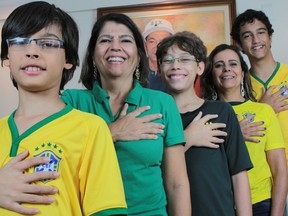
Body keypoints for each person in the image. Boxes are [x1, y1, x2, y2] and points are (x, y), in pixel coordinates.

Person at [0, 2, 127, 215]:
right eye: (20, 42)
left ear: (68, 58)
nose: (32, 52)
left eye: (48, 44)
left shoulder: (90, 129)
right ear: (6, 58)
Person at [61, 13, 191, 215]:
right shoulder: (71, 101)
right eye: (105, 40)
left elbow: (177, 184)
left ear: (139, 55)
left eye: (125, 40)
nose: (115, 46)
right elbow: (58, 160)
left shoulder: (162, 103)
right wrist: (113, 132)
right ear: (93, 55)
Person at [156, 31, 253, 216]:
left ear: (200, 67)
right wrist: (188, 138)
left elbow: (239, 176)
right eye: (168, 60)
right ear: (159, 70)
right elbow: (151, 167)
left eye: (184, 59)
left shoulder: (222, 112)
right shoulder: (155, 115)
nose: (176, 65)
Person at [201, 43, 288, 216]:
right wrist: (235, 134)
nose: (227, 69)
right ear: (211, 74)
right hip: (219, 204)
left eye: (233, 64)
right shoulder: (204, 114)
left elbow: (280, 170)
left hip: (261, 204)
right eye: (219, 65)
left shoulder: (264, 111)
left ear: (242, 72)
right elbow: (201, 164)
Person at [230, 9, 288, 162]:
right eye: (247, 36)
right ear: (239, 45)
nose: (256, 40)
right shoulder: (238, 86)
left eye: (261, 33)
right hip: (263, 174)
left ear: (270, 37)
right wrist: (265, 108)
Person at [142, 18, 174, 91]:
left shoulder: (178, 69)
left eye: (162, 42)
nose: (157, 46)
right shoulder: (135, 69)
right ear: (145, 44)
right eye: (152, 41)